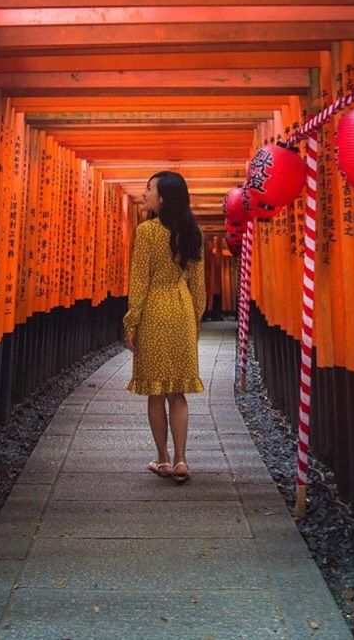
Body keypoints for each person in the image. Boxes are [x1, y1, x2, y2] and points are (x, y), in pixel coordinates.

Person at [123, 171, 206, 483]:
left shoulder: (147, 232)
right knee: (178, 393)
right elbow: (199, 286)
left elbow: (140, 281)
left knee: (155, 393)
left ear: (164, 197)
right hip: (182, 310)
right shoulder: (193, 232)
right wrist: (194, 322)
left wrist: (132, 320)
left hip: (155, 311)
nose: (145, 195)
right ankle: (183, 460)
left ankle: (163, 459)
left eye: (149, 190)